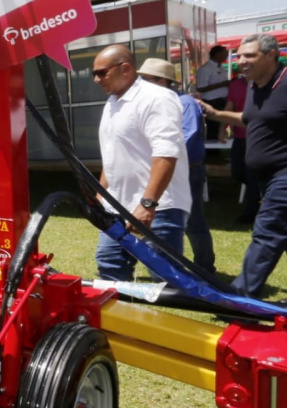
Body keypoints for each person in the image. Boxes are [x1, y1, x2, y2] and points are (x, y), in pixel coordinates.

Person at [201, 34, 287, 306]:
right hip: (271, 177)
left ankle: (237, 300)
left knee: (267, 231)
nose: (241, 62)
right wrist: (212, 112)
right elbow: (248, 118)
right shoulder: (256, 87)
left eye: (249, 56)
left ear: (271, 55)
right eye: (240, 56)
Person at [92, 45, 192, 282]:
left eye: (101, 72)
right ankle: (120, 319)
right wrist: (100, 196)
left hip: (158, 209)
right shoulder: (113, 102)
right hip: (116, 207)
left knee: (165, 279)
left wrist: (147, 204)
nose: (96, 79)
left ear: (125, 68)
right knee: (110, 266)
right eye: (93, 74)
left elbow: (166, 152)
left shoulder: (157, 98)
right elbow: (112, 154)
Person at [138, 58, 215, 275]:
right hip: (166, 169)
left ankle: (205, 268)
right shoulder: (156, 103)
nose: (140, 83)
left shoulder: (185, 103)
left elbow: (185, 139)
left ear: (162, 81)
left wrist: (160, 158)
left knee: (193, 221)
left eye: (145, 79)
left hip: (187, 171)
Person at [221, 75, 259, 224]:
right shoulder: (235, 84)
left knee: (252, 176)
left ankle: (251, 212)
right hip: (239, 137)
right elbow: (229, 107)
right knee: (237, 171)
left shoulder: (266, 83)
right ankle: (259, 194)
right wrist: (222, 128)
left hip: (258, 137)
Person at [196, 45, 231, 143]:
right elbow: (201, 88)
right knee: (213, 128)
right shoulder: (206, 68)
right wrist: (222, 84)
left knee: (221, 126)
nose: (227, 55)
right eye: (225, 53)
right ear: (217, 54)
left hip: (222, 100)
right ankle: (212, 154)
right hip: (212, 102)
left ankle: (219, 150)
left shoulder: (220, 66)